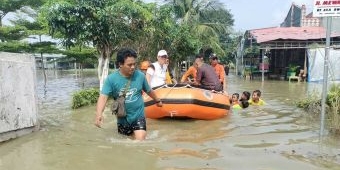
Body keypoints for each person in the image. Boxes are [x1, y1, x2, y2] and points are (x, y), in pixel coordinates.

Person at [95, 48, 163, 141]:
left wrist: (157, 100)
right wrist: (99, 114)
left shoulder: (140, 76)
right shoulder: (111, 79)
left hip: (138, 116)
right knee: (126, 142)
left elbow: (149, 90)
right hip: (122, 119)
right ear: (120, 64)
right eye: (129, 65)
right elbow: (103, 97)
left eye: (134, 64)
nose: (133, 67)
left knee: (140, 140)